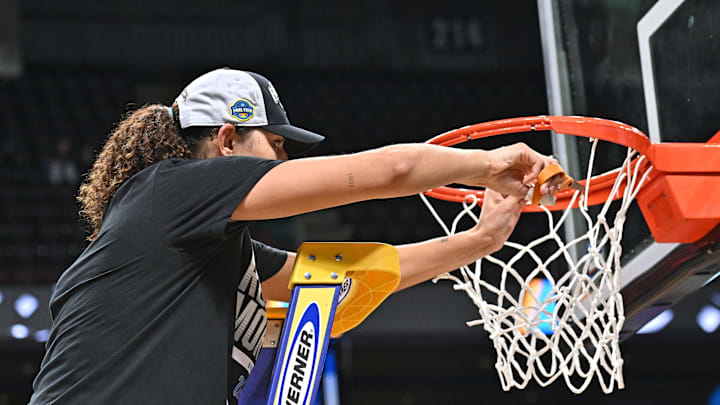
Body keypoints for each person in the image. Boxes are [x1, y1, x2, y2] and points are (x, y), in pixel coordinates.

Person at [29, 68, 559, 404]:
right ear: (228, 140)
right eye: (277, 144)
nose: (285, 159)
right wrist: (491, 163)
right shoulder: (170, 191)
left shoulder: (209, 247)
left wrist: (481, 241)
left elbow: (345, 281)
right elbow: (391, 171)